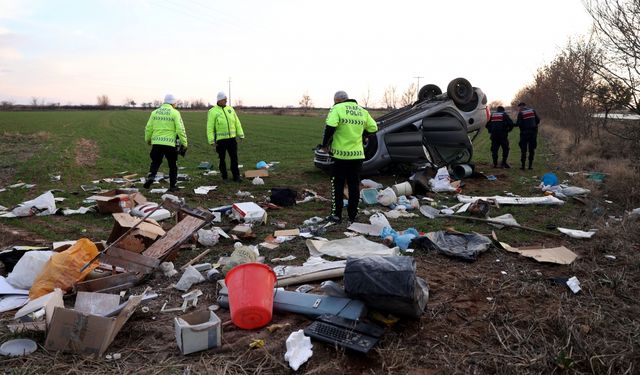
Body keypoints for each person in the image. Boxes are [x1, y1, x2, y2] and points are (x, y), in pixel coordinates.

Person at [320, 91, 378, 224]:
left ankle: (336, 215)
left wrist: (324, 144)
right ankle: (353, 215)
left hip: (340, 155)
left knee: (337, 185)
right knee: (353, 185)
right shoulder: (362, 111)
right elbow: (373, 128)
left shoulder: (337, 108)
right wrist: (363, 135)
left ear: (338, 100)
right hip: (357, 156)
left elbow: (330, 126)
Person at [143, 94, 187, 192]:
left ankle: (151, 176)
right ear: (172, 103)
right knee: (172, 165)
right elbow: (180, 129)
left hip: (157, 143)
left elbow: (148, 128)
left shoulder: (154, 113)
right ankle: (172, 186)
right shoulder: (175, 113)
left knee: (155, 161)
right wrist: (184, 143)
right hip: (170, 144)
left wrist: (148, 140)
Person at [207, 91, 245, 182]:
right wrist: (211, 140)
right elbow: (210, 127)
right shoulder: (212, 111)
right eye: (224, 100)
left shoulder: (230, 109)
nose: (226, 101)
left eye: (226, 99)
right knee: (222, 159)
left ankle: (236, 176)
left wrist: (241, 134)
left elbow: (237, 122)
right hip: (221, 141)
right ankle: (224, 177)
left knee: (234, 158)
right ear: (219, 100)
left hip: (232, 139)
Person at [515, 102, 541, 170]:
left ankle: (523, 166)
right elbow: (538, 120)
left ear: (521, 106)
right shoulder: (533, 111)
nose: (519, 109)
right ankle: (530, 166)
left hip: (524, 133)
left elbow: (518, 123)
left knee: (523, 150)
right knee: (531, 149)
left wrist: (513, 125)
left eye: (519, 107)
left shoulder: (521, 113)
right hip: (533, 133)